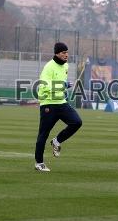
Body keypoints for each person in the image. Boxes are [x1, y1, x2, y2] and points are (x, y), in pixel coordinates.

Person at [34, 42, 82, 172]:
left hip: (61, 102)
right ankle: (39, 163)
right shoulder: (49, 67)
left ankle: (57, 141)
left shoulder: (65, 66)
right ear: (57, 54)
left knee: (77, 122)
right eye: (63, 53)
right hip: (48, 104)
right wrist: (63, 85)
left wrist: (64, 93)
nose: (66, 55)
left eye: (67, 52)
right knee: (43, 134)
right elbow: (44, 86)